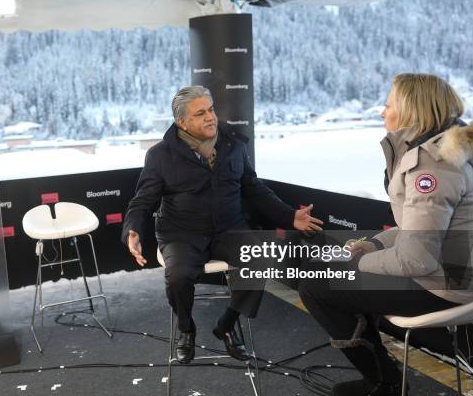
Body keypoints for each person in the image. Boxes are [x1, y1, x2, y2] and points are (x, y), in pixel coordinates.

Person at [299, 73, 473, 396]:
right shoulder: (455, 148)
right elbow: (419, 228)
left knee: (314, 285)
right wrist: (371, 245)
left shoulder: (432, 164)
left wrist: (360, 263)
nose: (382, 112)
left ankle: (384, 384)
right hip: (465, 275)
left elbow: (416, 258)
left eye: (388, 104)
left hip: (446, 285)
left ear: (411, 111)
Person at [122, 85, 323, 364]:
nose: (211, 117)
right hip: (181, 233)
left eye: (211, 109)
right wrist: (133, 229)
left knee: (261, 258)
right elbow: (142, 201)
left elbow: (254, 189)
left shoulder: (234, 145)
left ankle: (227, 324)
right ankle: (186, 329)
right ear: (182, 122)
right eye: (200, 113)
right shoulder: (160, 155)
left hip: (229, 229)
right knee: (178, 278)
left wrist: (290, 216)